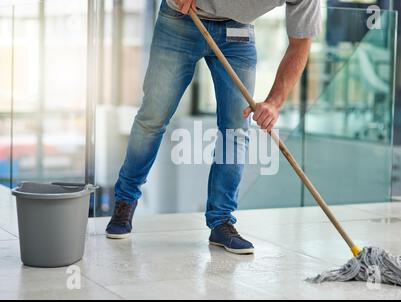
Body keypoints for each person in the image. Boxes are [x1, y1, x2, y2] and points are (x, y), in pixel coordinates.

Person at [106, 0, 321, 255]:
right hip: (181, 19)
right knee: (153, 117)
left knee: (236, 130)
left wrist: (274, 102)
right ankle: (125, 201)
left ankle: (221, 221)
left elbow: (300, 44)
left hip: (238, 33)